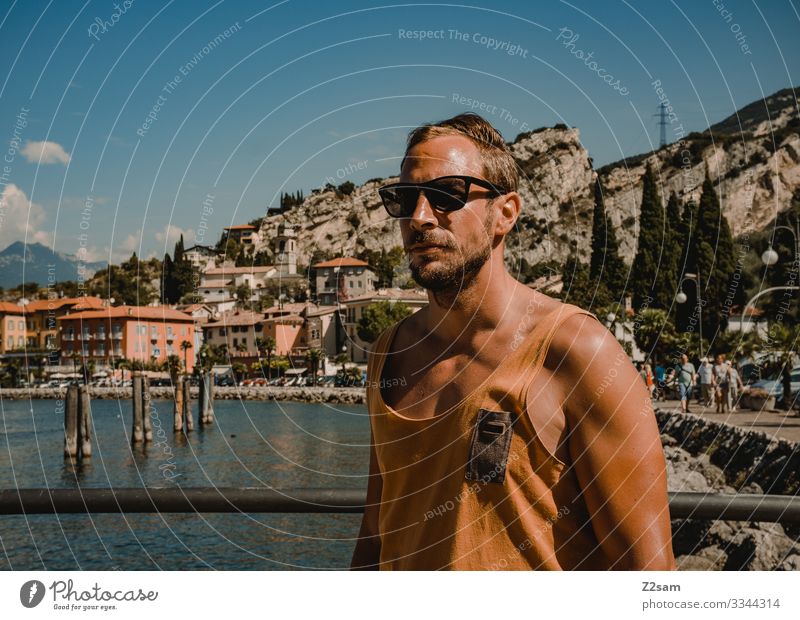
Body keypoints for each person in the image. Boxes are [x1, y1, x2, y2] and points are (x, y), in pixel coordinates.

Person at [351, 113, 674, 571]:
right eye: (406, 199)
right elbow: (374, 533)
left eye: (446, 194)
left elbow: (649, 574)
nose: (419, 217)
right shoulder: (388, 354)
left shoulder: (577, 351)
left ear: (505, 214)